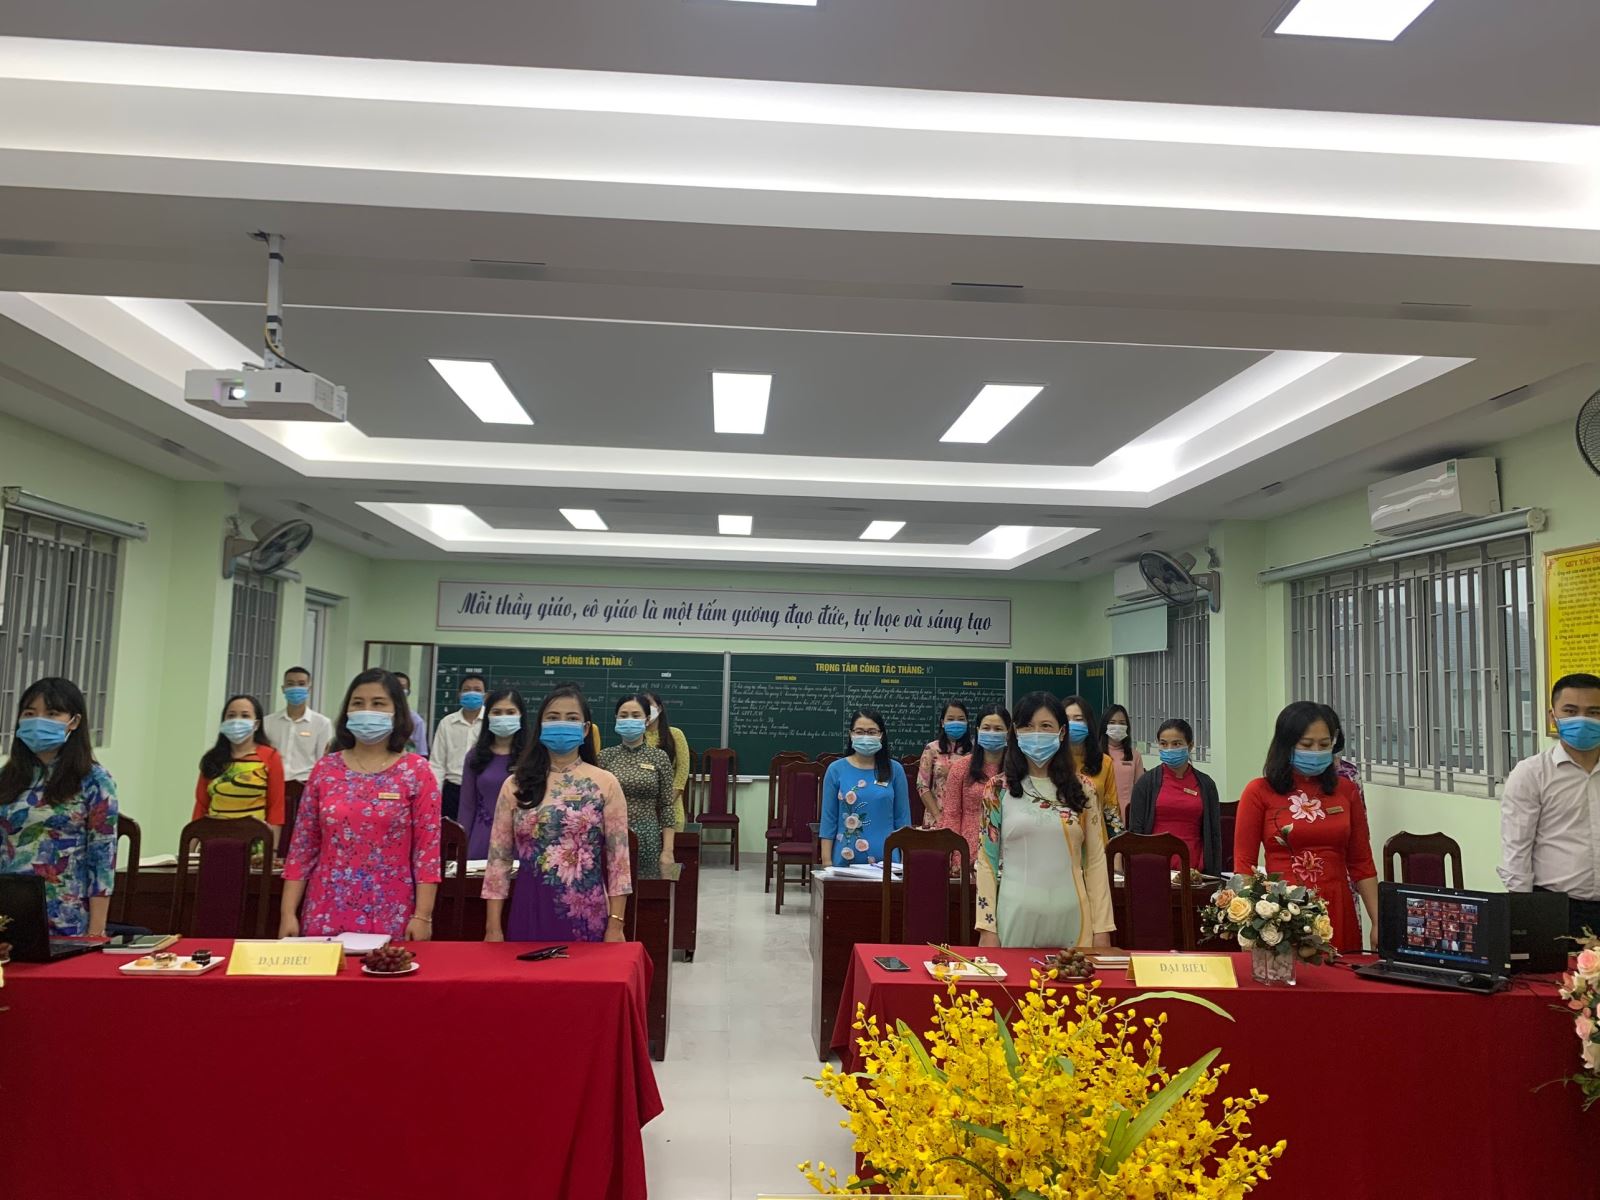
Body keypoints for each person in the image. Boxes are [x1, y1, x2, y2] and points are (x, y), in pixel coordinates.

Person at [280, 669, 441, 941]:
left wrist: (423, 915)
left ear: (397, 712)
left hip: (391, 908)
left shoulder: (416, 771)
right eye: (358, 703)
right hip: (325, 906)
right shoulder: (325, 769)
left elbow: (427, 852)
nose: (367, 710)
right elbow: (302, 847)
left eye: (378, 703)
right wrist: (287, 913)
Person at [482, 687, 631, 942]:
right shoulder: (515, 785)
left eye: (571, 718)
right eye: (553, 717)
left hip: (586, 914)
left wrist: (616, 925)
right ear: (540, 726)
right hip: (528, 909)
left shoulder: (605, 784)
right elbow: (499, 860)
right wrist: (492, 928)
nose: (562, 723)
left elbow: (619, 861)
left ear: (585, 729)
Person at [1235, 700, 1377, 953]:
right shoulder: (1258, 792)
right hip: (1282, 912)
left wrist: (1378, 921)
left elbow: (1362, 862)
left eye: (1324, 744)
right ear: (1286, 745)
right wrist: (1249, 922)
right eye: (1307, 744)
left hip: (1338, 907)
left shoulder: (1346, 791)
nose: (1316, 751)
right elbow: (1244, 863)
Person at [975, 691, 1114, 949]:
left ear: (1062, 733)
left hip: (1074, 919)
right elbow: (986, 862)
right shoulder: (998, 789)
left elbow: (1095, 861)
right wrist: (987, 927)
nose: (1036, 733)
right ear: (1015, 733)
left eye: (1046, 726)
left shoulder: (1084, 790)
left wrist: (1102, 928)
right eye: (1028, 726)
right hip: (1014, 919)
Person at [0, 677, 118, 937]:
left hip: (66, 918)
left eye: (52, 714)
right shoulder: (5, 779)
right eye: (30, 713)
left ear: (74, 722)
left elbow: (102, 858)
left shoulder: (94, 780)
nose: (38, 721)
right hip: (7, 915)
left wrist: (96, 931)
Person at [1499, 672, 1600, 937]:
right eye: (1570, 711)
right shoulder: (1531, 774)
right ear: (1553, 717)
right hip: (1555, 909)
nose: (1583, 720)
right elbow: (1516, 850)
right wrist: (1523, 919)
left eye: (1593, 712)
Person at [1126, 719, 1222, 874]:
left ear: (1190, 745)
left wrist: (1214, 874)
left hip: (1195, 871)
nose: (1169, 749)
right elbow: (1136, 833)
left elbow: (1214, 835)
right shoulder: (1145, 783)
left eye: (1176, 744)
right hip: (1154, 868)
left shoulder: (1206, 785)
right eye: (1163, 744)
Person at [819, 708, 911, 868]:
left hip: (887, 860)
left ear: (881, 735)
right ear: (851, 734)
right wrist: (826, 862)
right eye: (860, 732)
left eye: (872, 732)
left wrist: (905, 860)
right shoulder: (836, 770)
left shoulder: (895, 770)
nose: (866, 737)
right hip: (845, 860)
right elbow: (829, 819)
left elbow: (903, 819)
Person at [599, 695, 677, 879]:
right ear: (616, 719)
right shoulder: (604, 757)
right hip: (611, 837)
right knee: (612, 888)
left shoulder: (659, 757)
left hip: (648, 838)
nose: (629, 720)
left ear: (647, 720)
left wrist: (668, 851)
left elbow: (667, 806)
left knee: (647, 891)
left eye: (635, 715)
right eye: (623, 715)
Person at [193, 694, 285, 842]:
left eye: (245, 716)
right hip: (212, 842)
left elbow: (276, 809)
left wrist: (271, 851)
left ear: (256, 724)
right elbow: (201, 807)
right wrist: (189, 850)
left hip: (254, 844)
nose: (237, 721)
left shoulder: (271, 757)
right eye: (231, 716)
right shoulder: (212, 758)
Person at [264, 666, 334, 852]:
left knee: (300, 840)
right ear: (283, 688)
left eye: (301, 684)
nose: (296, 688)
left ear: (309, 688)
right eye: (291, 684)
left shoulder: (322, 723)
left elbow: (323, 762)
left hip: (304, 789)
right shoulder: (268, 722)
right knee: (273, 840)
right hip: (274, 788)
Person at [457, 688, 529, 859]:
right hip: (482, 840)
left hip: (523, 841)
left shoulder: (532, 757)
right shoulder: (475, 756)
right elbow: (467, 806)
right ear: (487, 716)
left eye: (510, 712)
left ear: (521, 715)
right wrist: (460, 846)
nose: (503, 717)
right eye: (497, 712)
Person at [938, 703, 1010, 862]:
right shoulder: (961, 768)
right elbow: (951, 814)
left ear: (1008, 732)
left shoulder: (1017, 770)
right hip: (968, 851)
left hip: (1010, 852)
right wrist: (953, 855)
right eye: (986, 728)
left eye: (998, 729)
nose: (992, 733)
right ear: (978, 730)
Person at [430, 672, 487, 823]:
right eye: (466, 690)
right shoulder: (447, 723)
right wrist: (434, 796)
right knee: (451, 833)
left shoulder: (491, 722)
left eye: (477, 690)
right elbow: (437, 764)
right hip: (453, 790)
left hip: (482, 790)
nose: (471, 693)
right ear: (459, 694)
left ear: (485, 695)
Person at [1064, 695, 1121, 836]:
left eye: (1078, 719)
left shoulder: (1104, 762)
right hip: (1061, 840)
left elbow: (1111, 811)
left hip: (1096, 839)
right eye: (1067, 719)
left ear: (1089, 723)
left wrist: (1116, 845)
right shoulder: (1050, 761)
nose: (1072, 724)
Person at [916, 701, 973, 827]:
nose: (956, 723)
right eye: (951, 719)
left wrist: (951, 774)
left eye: (961, 719)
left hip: (965, 819)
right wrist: (938, 816)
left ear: (967, 722)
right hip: (935, 817)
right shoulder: (931, 749)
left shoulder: (974, 751)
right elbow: (922, 786)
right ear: (942, 722)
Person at [641, 690, 691, 832]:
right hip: (641, 808)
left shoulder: (675, 734)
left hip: (671, 805)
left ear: (659, 708)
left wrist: (666, 802)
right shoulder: (635, 736)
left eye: (649, 704)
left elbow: (682, 771)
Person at [1101, 704, 1144, 827]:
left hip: (1129, 815)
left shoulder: (1135, 755)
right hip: (1101, 814)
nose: (1117, 726)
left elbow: (1140, 790)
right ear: (1105, 725)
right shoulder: (1095, 754)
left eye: (1122, 723)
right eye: (1112, 722)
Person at [392, 672, 429, 758]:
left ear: (408, 692)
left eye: (402, 688)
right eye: (395, 687)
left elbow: (421, 753)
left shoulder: (416, 720)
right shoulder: (377, 716)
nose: (399, 691)